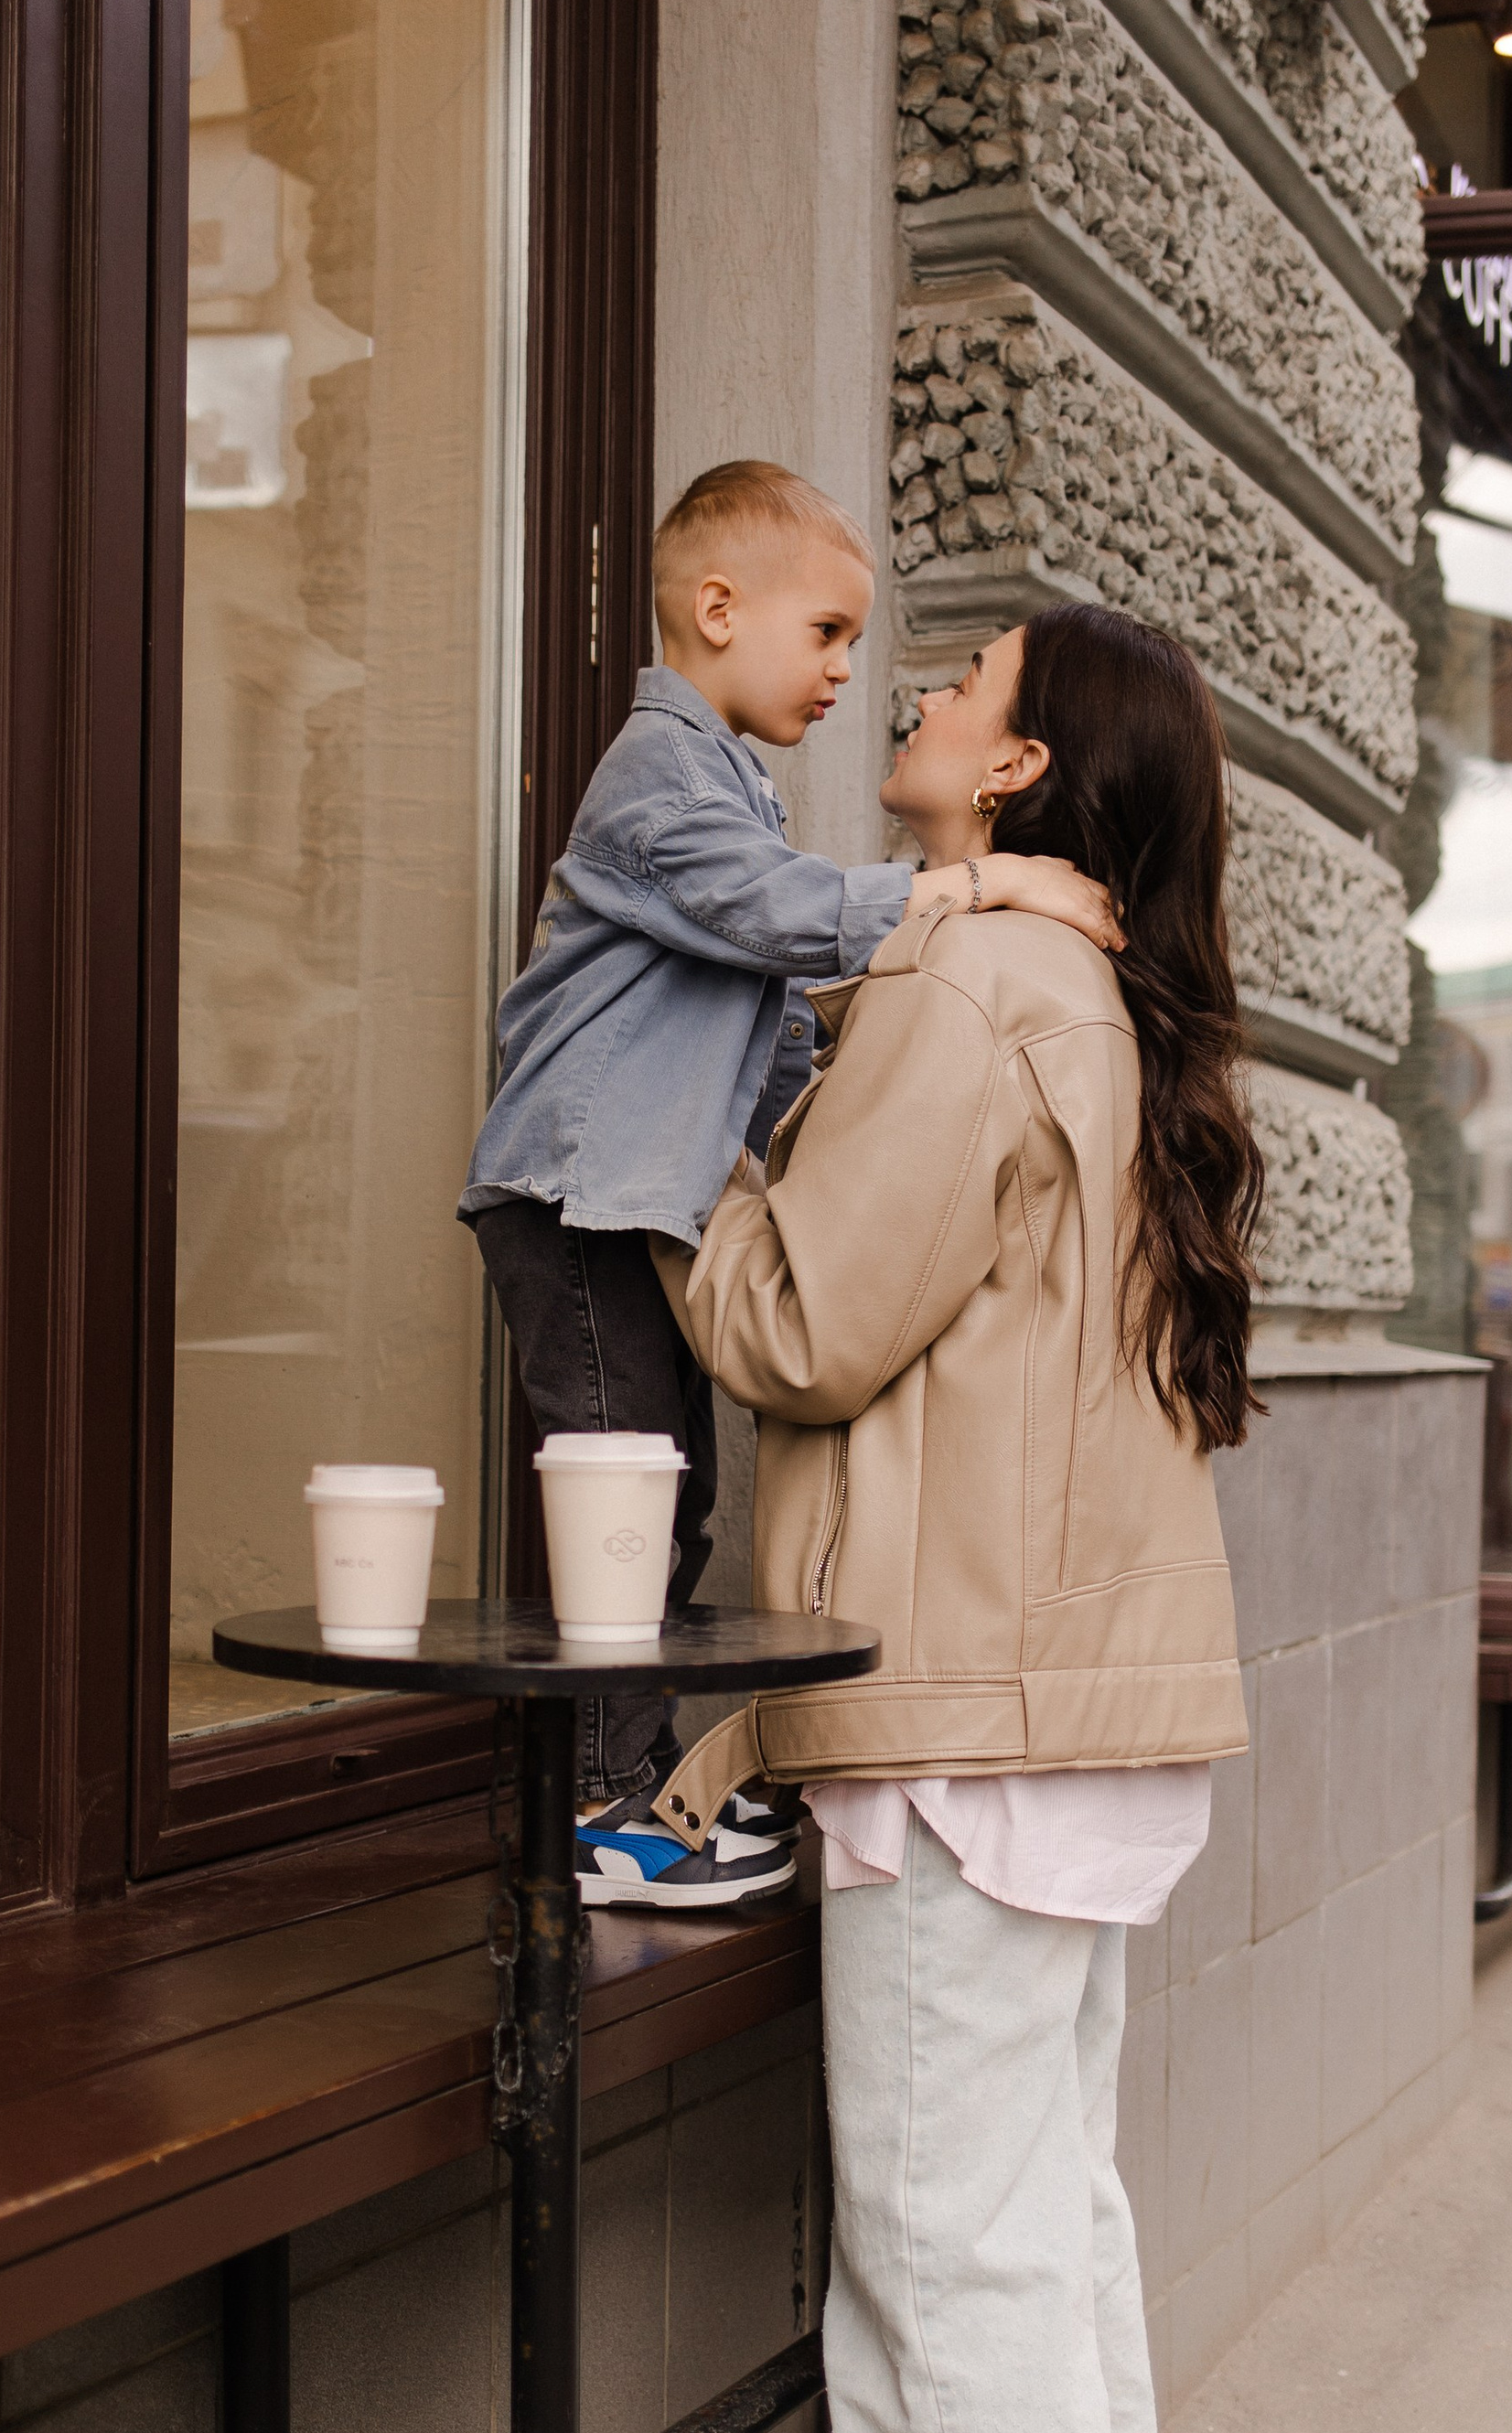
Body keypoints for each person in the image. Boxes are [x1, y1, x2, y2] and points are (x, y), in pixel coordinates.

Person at [649, 601, 1262, 2433]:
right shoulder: (1091, 991)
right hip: (1069, 1710)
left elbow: (800, 1325)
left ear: (1014, 773)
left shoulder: (964, 974)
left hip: (964, 1719)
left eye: (958, 679)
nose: (910, 694)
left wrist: (684, 1172)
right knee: (1048, 2246)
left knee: (945, 2289)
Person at [459, 460, 1119, 1908]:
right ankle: (597, 1816)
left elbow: (760, 1033)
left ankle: (630, 1791)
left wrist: (834, 1148)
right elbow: (776, 916)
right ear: (717, 611)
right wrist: (981, 884)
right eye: (826, 632)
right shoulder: (658, 774)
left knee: (664, 1501)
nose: (844, 671)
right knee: (622, 1507)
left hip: (631, 1202)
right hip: (573, 1197)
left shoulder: (730, 783)